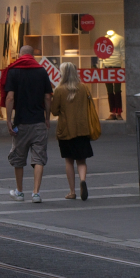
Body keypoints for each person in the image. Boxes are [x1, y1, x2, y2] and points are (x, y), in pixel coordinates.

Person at [4, 45, 53, 203]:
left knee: (19, 158)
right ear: (32, 56)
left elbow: (10, 98)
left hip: (21, 123)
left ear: (21, 55)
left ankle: (19, 191)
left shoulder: (13, 72)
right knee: (38, 158)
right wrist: (47, 117)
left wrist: (8, 120)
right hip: (38, 121)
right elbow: (47, 97)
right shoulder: (42, 71)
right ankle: (36, 193)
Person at [51, 62, 95, 201]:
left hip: (66, 130)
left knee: (69, 161)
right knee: (81, 161)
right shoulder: (83, 88)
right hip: (82, 129)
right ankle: (83, 180)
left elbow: (54, 110)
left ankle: (72, 191)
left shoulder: (59, 90)